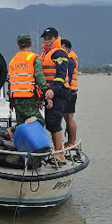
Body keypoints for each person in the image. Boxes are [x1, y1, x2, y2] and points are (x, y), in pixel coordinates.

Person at [40, 27, 72, 165]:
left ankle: (60, 154)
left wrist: (53, 90)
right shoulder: (45, 53)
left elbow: (60, 75)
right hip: (49, 94)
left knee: (54, 122)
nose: (47, 40)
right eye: (45, 38)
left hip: (58, 93)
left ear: (56, 38)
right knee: (51, 123)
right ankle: (56, 150)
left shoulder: (59, 53)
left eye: (50, 38)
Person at [7, 33, 47, 126]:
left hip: (15, 98)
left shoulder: (13, 61)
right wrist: (46, 91)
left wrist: (11, 101)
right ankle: (11, 131)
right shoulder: (34, 59)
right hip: (28, 98)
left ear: (18, 46)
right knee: (39, 121)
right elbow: (39, 77)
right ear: (31, 44)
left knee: (21, 123)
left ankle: (20, 138)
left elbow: (11, 82)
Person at [61, 38, 79, 151]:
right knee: (66, 117)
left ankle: (72, 142)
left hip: (70, 92)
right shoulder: (68, 58)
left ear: (67, 48)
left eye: (62, 47)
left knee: (69, 117)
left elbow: (69, 76)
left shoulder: (70, 60)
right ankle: (70, 141)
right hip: (70, 91)